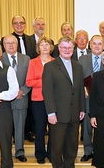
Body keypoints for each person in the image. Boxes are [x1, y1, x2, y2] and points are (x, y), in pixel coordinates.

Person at [42, 36, 85, 168]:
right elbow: (47, 92)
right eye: (64, 47)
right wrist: (51, 113)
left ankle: (69, 165)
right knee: (57, 146)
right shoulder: (50, 66)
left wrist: (82, 108)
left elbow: (79, 91)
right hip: (58, 115)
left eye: (69, 47)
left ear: (73, 49)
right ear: (59, 49)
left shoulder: (78, 66)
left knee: (72, 145)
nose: (67, 50)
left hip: (74, 113)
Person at [1, 34, 31, 162]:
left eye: (13, 43)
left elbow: (29, 79)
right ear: (4, 45)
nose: (11, 45)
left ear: (17, 44)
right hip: (4, 100)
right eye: (8, 43)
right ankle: (6, 152)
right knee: (4, 128)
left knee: (20, 127)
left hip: (21, 98)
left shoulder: (26, 59)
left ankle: (19, 151)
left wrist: (22, 91)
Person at [26, 37, 54, 164]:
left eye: (47, 44)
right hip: (38, 100)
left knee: (53, 128)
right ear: (38, 48)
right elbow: (29, 82)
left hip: (54, 100)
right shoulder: (33, 62)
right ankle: (40, 154)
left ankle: (52, 153)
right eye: (42, 44)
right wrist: (46, 82)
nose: (44, 47)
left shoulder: (56, 62)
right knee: (39, 128)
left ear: (51, 47)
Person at [78, 35, 104, 162]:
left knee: (101, 127)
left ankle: (99, 151)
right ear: (90, 45)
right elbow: (78, 77)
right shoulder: (82, 59)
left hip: (103, 101)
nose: (97, 46)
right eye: (94, 43)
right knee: (87, 126)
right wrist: (82, 88)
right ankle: (88, 151)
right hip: (87, 98)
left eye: (100, 44)